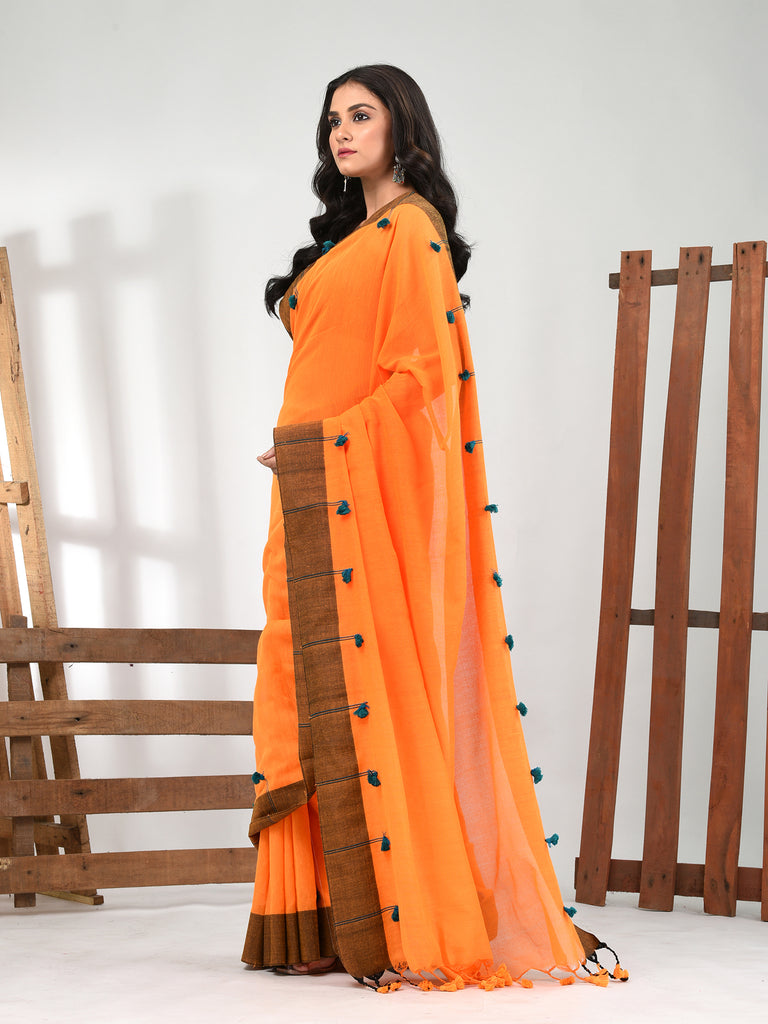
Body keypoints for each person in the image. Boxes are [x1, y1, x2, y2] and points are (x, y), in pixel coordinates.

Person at [242, 64, 623, 991]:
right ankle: (312, 919)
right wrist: (305, 456)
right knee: (299, 679)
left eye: (360, 115)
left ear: (401, 128)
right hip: (307, 490)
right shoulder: (349, 238)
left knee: (365, 683)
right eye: (332, 120)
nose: (340, 131)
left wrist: (326, 443)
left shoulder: (411, 230)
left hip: (342, 481)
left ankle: (388, 917)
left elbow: (422, 383)